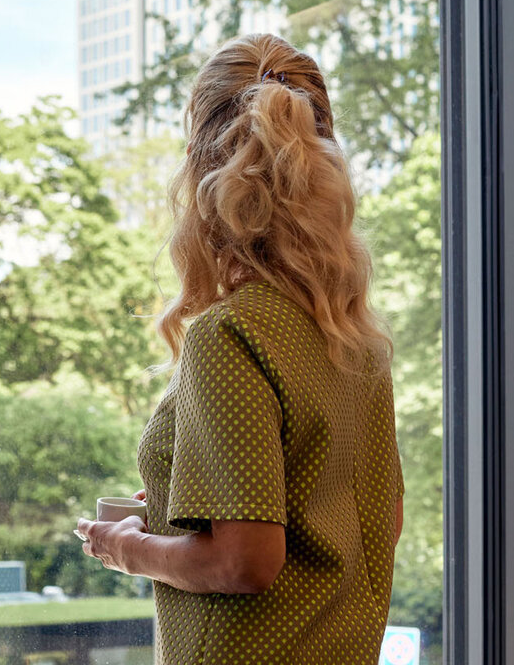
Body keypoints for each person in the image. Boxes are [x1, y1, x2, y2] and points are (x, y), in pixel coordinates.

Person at [77, 33, 405, 664]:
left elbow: (244, 561)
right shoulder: (354, 340)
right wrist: (188, 502)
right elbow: (376, 522)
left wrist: (125, 548)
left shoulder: (229, 334)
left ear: (202, 168)